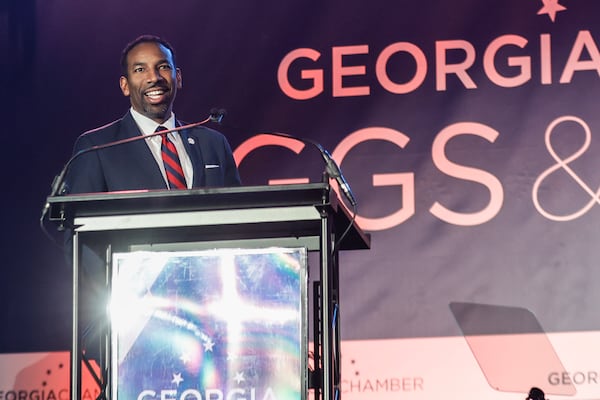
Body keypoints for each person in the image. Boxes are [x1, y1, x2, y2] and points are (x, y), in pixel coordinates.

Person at [63, 34, 241, 194]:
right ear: (125, 85)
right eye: (140, 70)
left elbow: (237, 215)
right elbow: (80, 224)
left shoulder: (213, 143)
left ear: (178, 78)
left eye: (163, 66)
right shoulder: (96, 147)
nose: (154, 78)